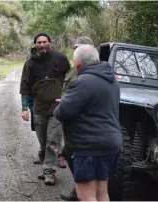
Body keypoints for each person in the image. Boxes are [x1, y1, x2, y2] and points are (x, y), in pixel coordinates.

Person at [54, 44, 123, 201]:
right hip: (110, 145)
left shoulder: (82, 82)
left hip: (88, 147)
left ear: (78, 63)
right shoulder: (112, 80)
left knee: (86, 196)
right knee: (102, 192)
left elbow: (62, 113)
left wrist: (64, 102)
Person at [20, 32, 71, 185]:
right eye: (39, 42)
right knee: (43, 142)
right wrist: (24, 107)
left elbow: (70, 79)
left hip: (57, 108)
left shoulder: (61, 58)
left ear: (50, 42)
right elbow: (25, 86)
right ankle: (46, 164)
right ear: (35, 44)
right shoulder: (30, 63)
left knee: (52, 141)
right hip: (39, 108)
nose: (42, 45)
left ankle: (49, 171)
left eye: (44, 42)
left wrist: (67, 97)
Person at [60, 36, 95, 201]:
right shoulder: (74, 69)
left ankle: (83, 193)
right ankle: (80, 189)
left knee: (79, 158)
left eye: (82, 47)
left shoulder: (90, 72)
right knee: (69, 154)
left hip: (81, 122)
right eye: (77, 47)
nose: (78, 50)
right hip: (70, 119)